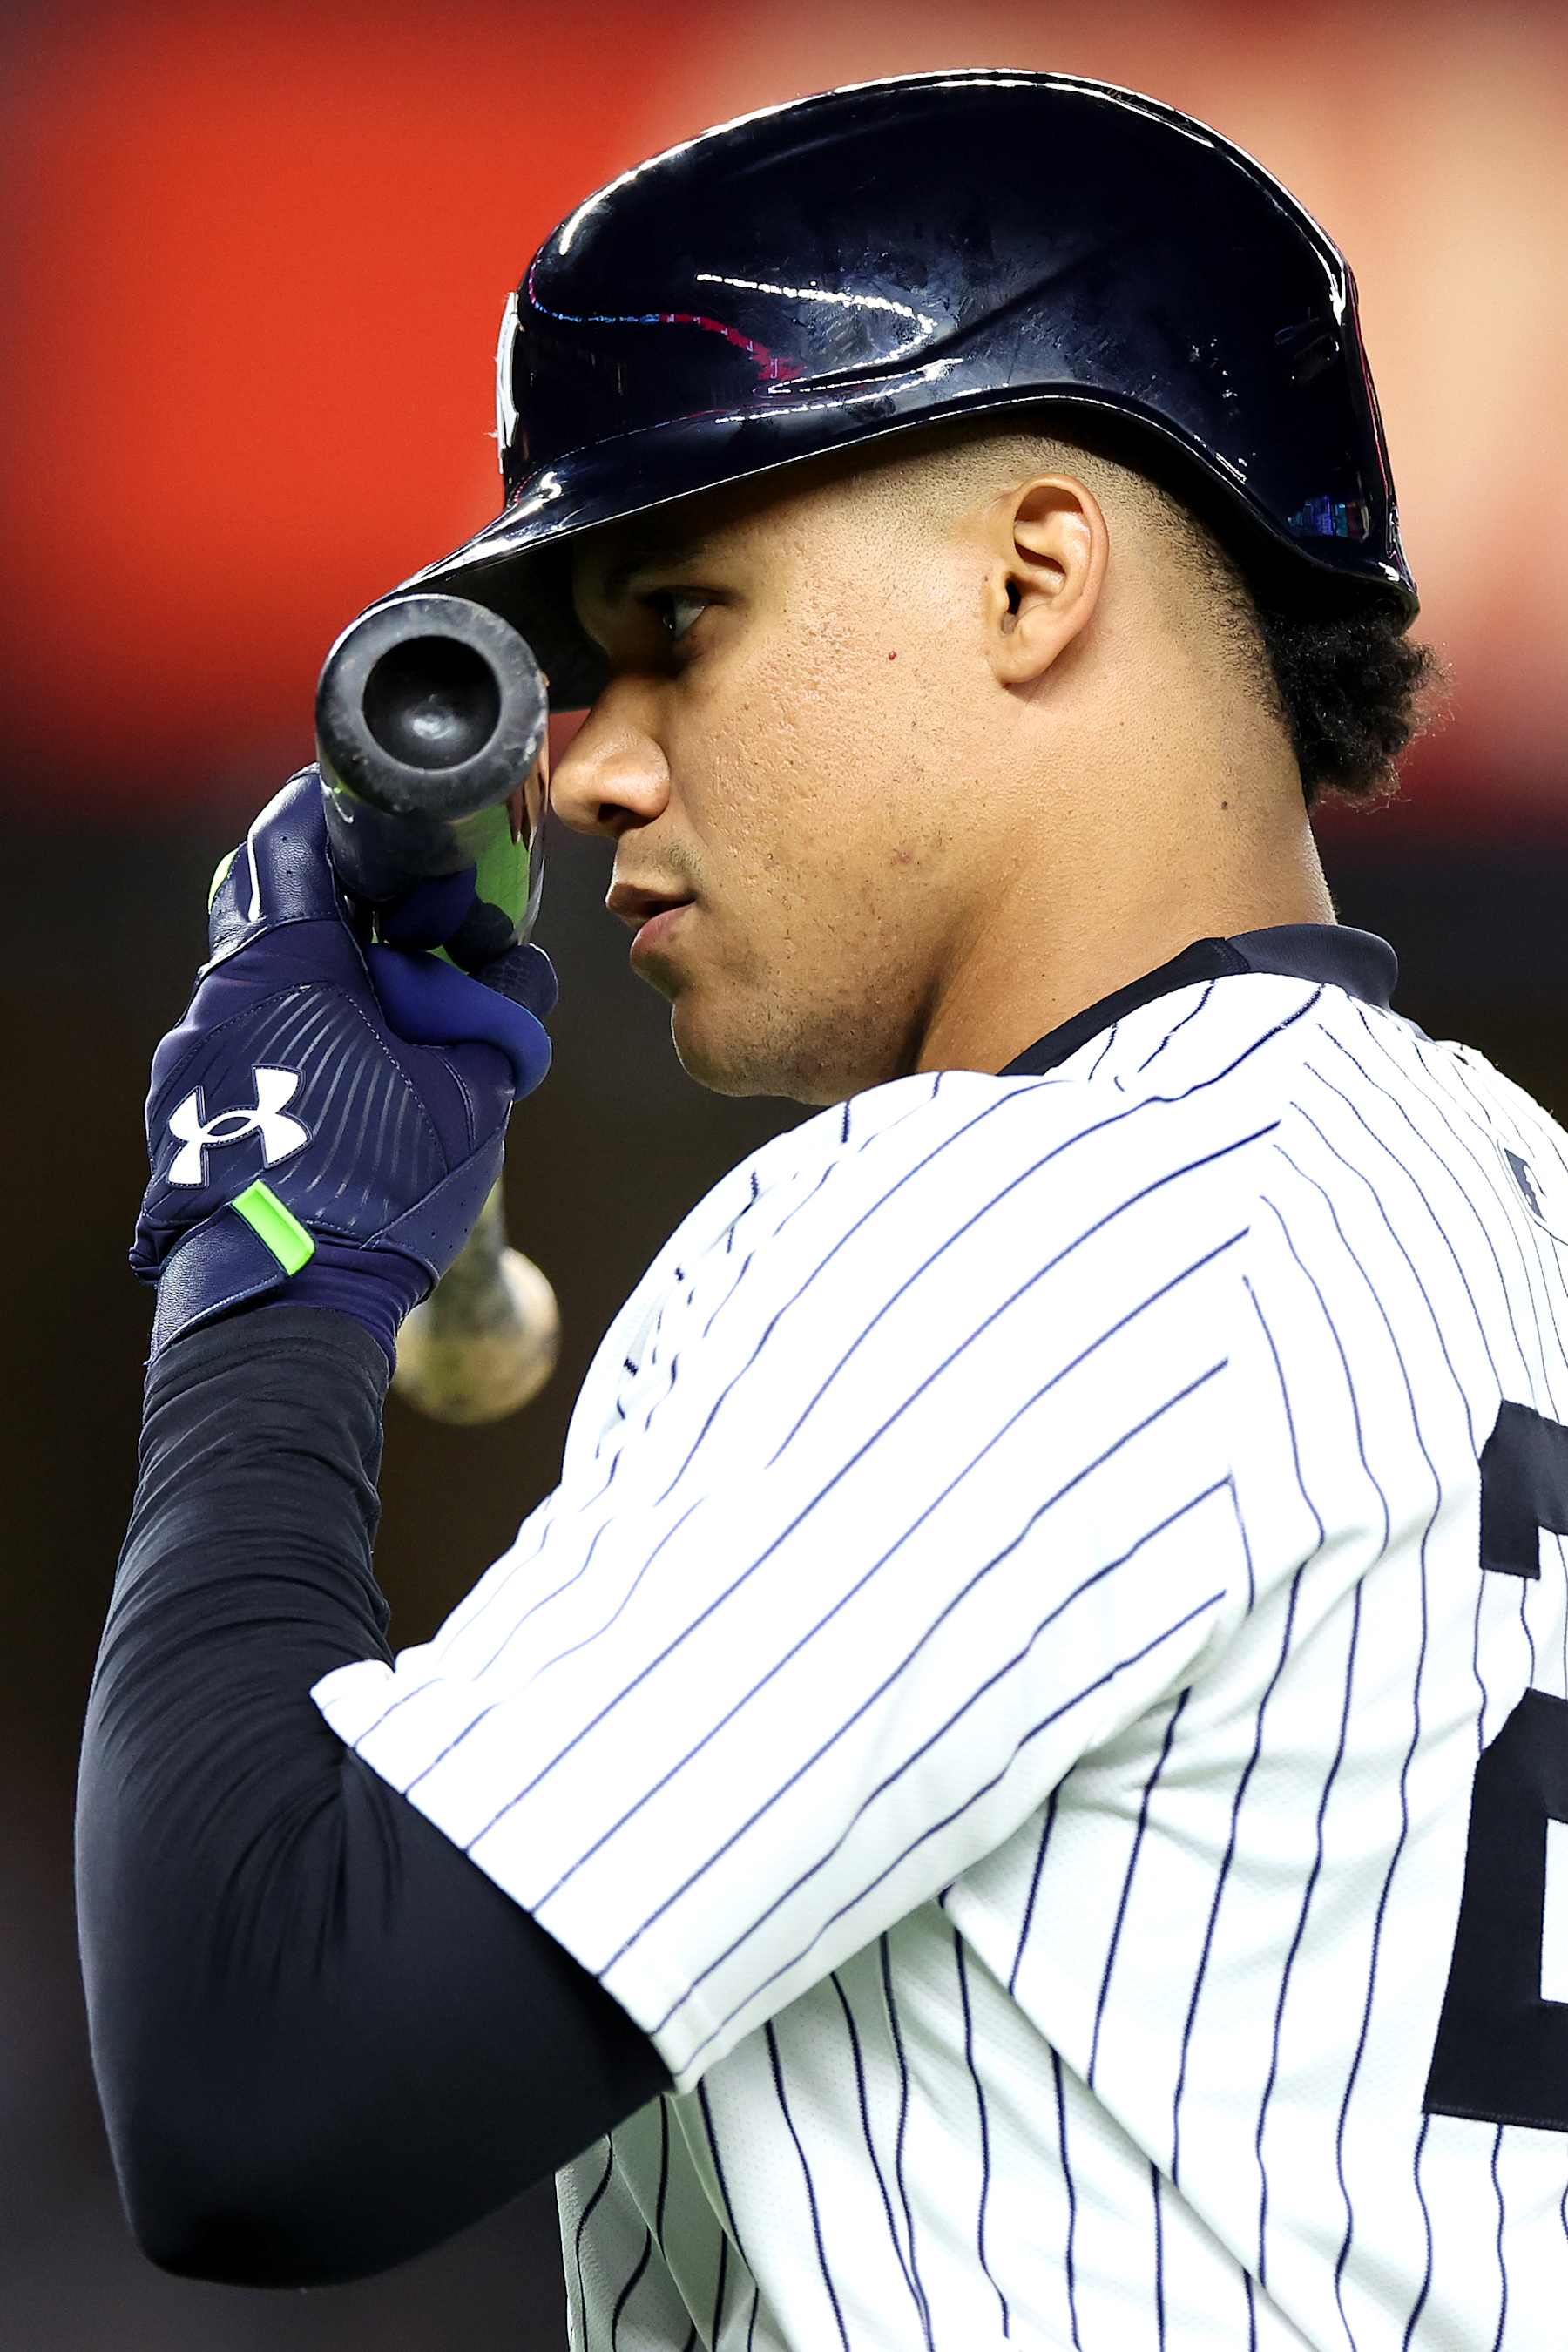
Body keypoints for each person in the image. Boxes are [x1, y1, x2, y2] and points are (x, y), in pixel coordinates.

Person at [78, 70, 1568, 2352]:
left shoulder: (1037, 1213)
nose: (584, 764)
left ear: (1032, 572)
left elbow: (259, 2072)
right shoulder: (1509, 1203)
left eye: (679, 615)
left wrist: (268, 1260)